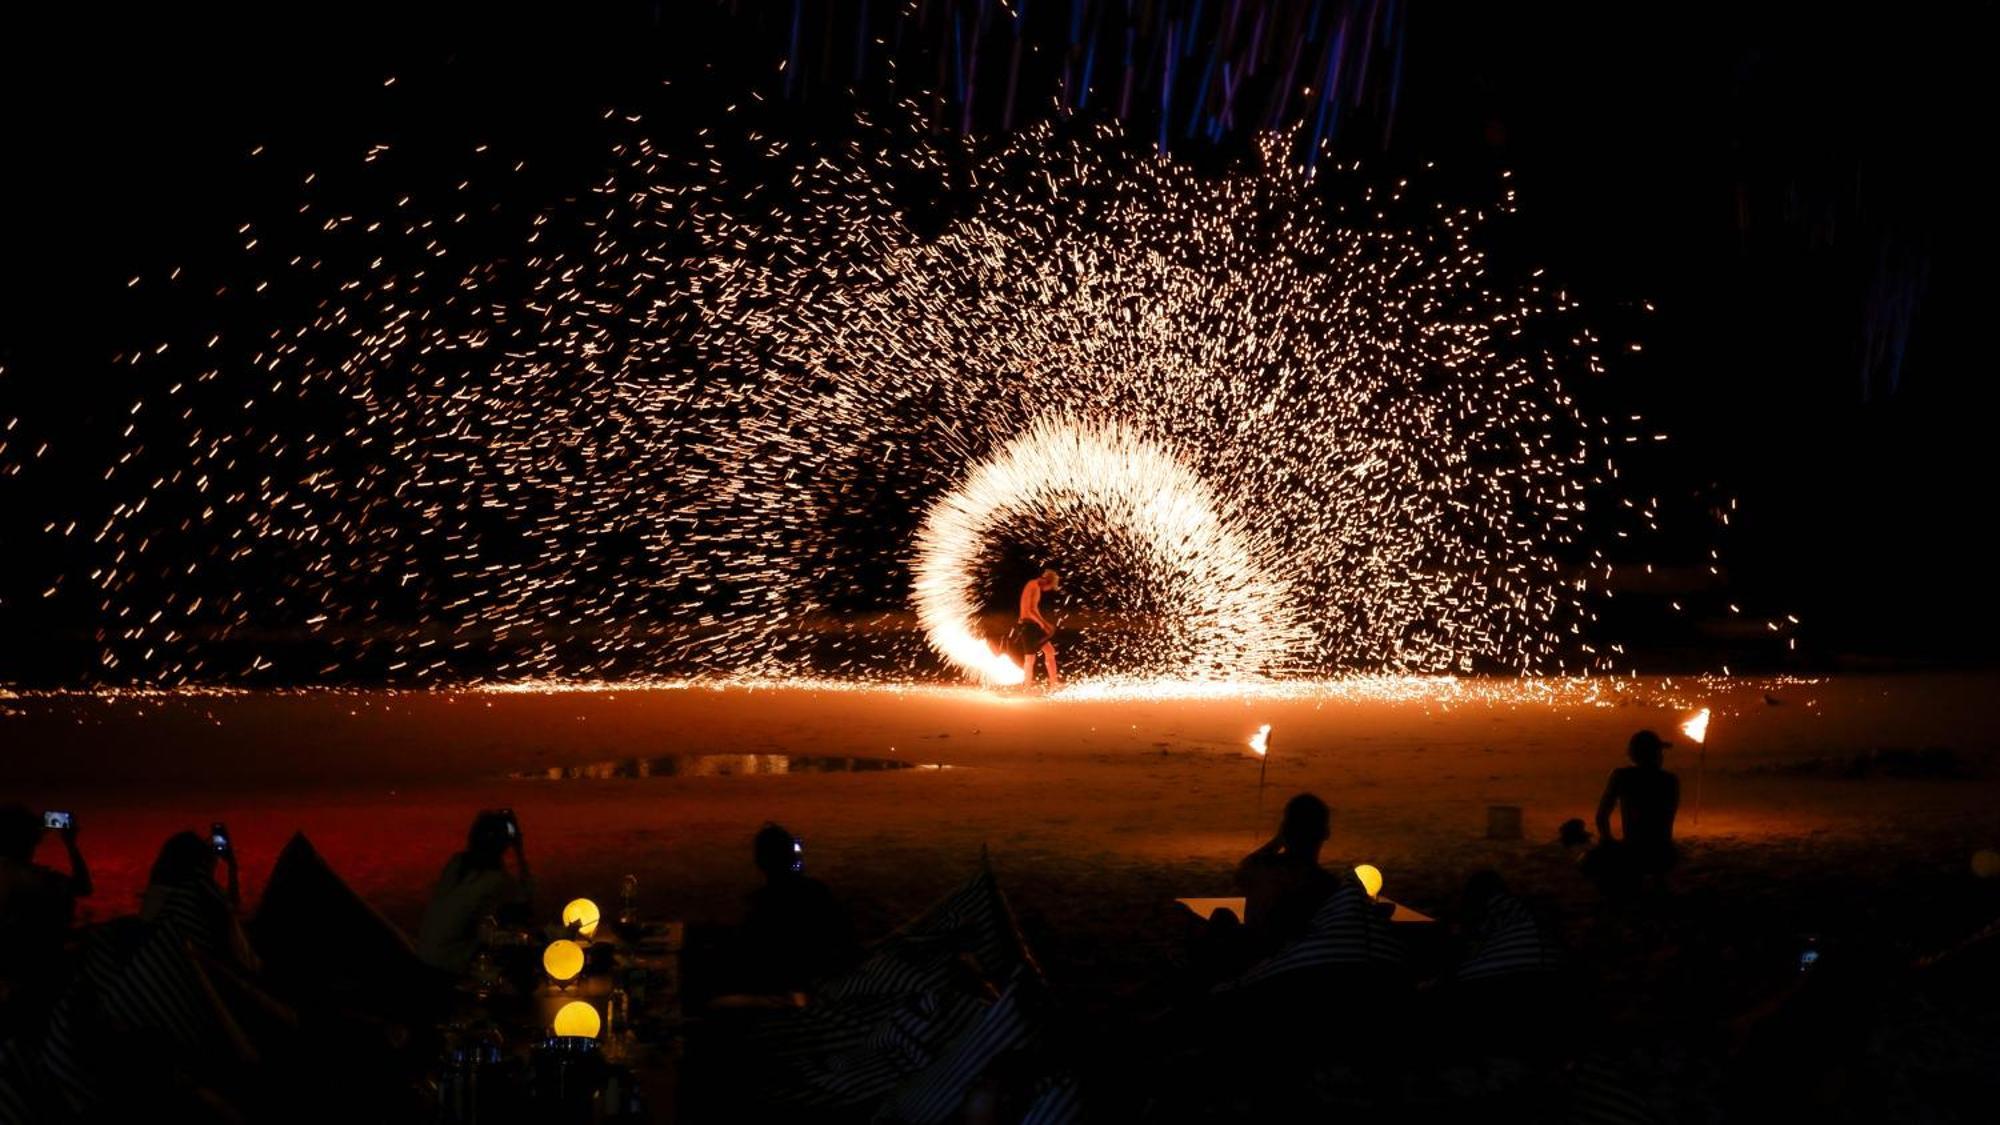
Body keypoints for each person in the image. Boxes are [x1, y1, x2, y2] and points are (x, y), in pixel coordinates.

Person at [0, 805, 90, 1031]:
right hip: (39, 973)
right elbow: (83, 886)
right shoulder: (39, 880)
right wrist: (70, 844)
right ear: (32, 841)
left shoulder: (10, 874)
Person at [740, 823, 856, 995]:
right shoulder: (816, 891)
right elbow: (844, 938)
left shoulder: (760, 904)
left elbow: (755, 958)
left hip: (793, 985)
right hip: (824, 979)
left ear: (760, 861)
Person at [416, 810, 533, 974]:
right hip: (448, 962)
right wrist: (519, 851)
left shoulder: (456, 864)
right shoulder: (495, 880)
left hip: (424, 955)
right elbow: (527, 903)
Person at [1234, 793, 1339, 955]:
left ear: (1285, 830)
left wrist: (1277, 841)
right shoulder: (1328, 885)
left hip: (1257, 962)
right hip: (1297, 963)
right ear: (1325, 833)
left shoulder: (1262, 869)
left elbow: (1241, 872)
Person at [141, 829, 258, 973]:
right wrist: (231, 865)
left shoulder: (158, 892)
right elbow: (230, 911)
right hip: (199, 973)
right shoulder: (198, 892)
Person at [1587, 729, 1681, 891]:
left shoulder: (1621, 776)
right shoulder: (1670, 780)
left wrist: (1608, 840)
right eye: (1658, 751)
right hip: (1664, 853)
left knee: (1589, 861)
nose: (1661, 756)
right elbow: (1666, 821)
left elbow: (1602, 815)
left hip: (1633, 851)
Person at [1015, 568, 1062, 689]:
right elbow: (1027, 610)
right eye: (1050, 587)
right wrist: (1042, 624)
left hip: (1032, 625)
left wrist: (1045, 623)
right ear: (1047, 581)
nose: (1048, 590)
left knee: (1050, 651)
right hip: (1027, 626)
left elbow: (1034, 610)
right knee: (1030, 658)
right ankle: (1027, 688)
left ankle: (1054, 684)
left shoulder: (1035, 587)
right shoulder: (1032, 585)